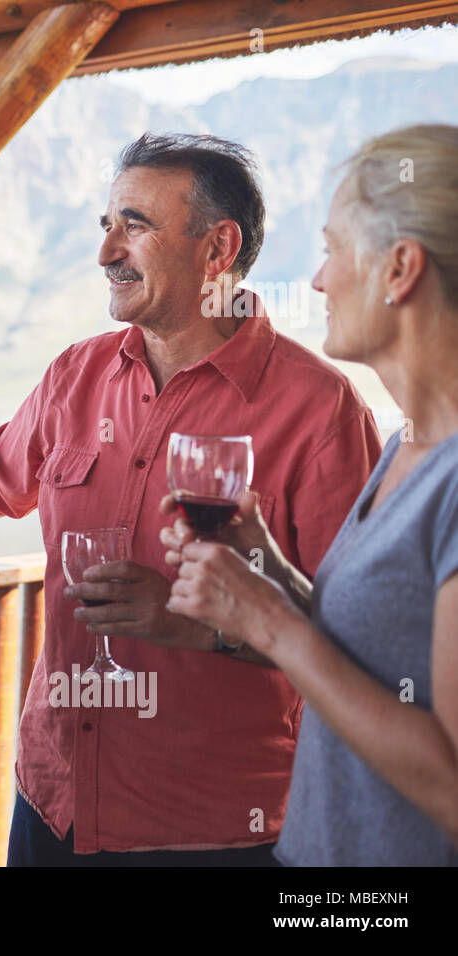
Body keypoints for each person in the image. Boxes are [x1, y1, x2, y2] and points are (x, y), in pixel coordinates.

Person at [0, 133, 382, 864]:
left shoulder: (321, 414)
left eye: (133, 224)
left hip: (215, 832)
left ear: (217, 249)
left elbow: (361, 650)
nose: (107, 250)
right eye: (105, 225)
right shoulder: (75, 375)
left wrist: (198, 624)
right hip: (52, 809)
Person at [164, 124, 458, 865]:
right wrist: (264, 563)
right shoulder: (408, 444)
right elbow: (371, 651)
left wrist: (266, 622)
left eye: (331, 250)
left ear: (400, 270)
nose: (319, 280)